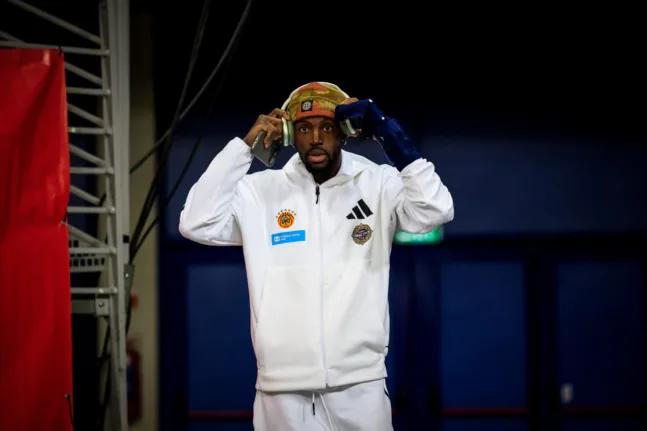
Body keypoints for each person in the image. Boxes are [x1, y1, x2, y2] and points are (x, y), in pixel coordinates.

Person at [179, 82, 454, 430]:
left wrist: (388, 133)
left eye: (327, 127)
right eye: (304, 129)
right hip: (281, 393)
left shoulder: (378, 183)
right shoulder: (259, 192)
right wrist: (244, 149)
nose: (316, 138)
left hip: (361, 388)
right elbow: (195, 222)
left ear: (344, 132)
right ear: (290, 135)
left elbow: (436, 209)